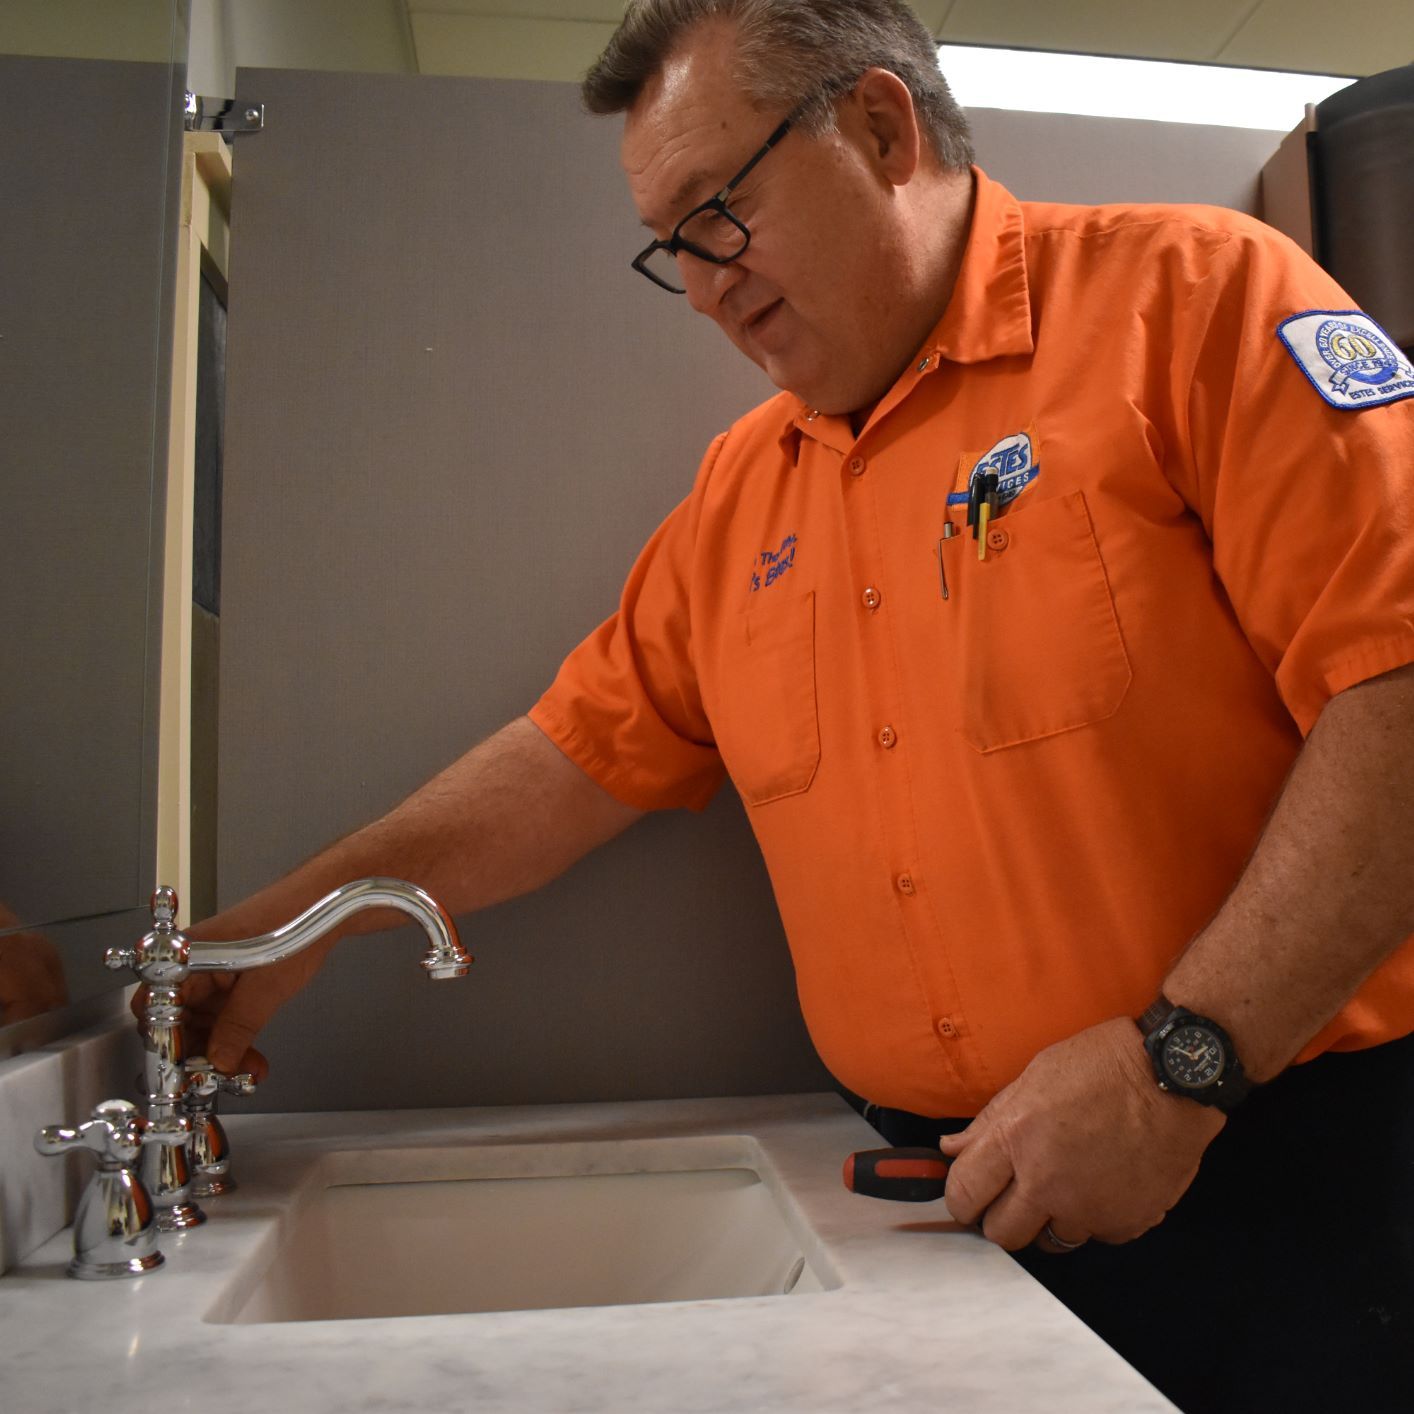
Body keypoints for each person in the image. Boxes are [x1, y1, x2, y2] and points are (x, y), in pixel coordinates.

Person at [175, 3, 1414, 1408]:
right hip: (940, 1211)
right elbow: (570, 759)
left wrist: (1177, 1068)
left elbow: (1398, 684)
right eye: (670, 246)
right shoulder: (739, 494)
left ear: (880, 129)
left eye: (719, 212)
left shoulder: (1191, 300)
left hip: (1266, 1163)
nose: (704, 288)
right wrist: (287, 927)